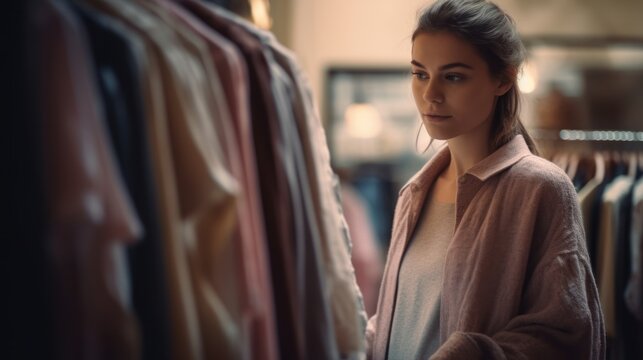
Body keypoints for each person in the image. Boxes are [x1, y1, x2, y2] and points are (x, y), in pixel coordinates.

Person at [365, 1, 606, 359]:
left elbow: (566, 335)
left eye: (454, 76)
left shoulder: (541, 189)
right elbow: (404, 318)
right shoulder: (415, 192)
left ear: (504, 79)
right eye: (420, 74)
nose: (430, 94)